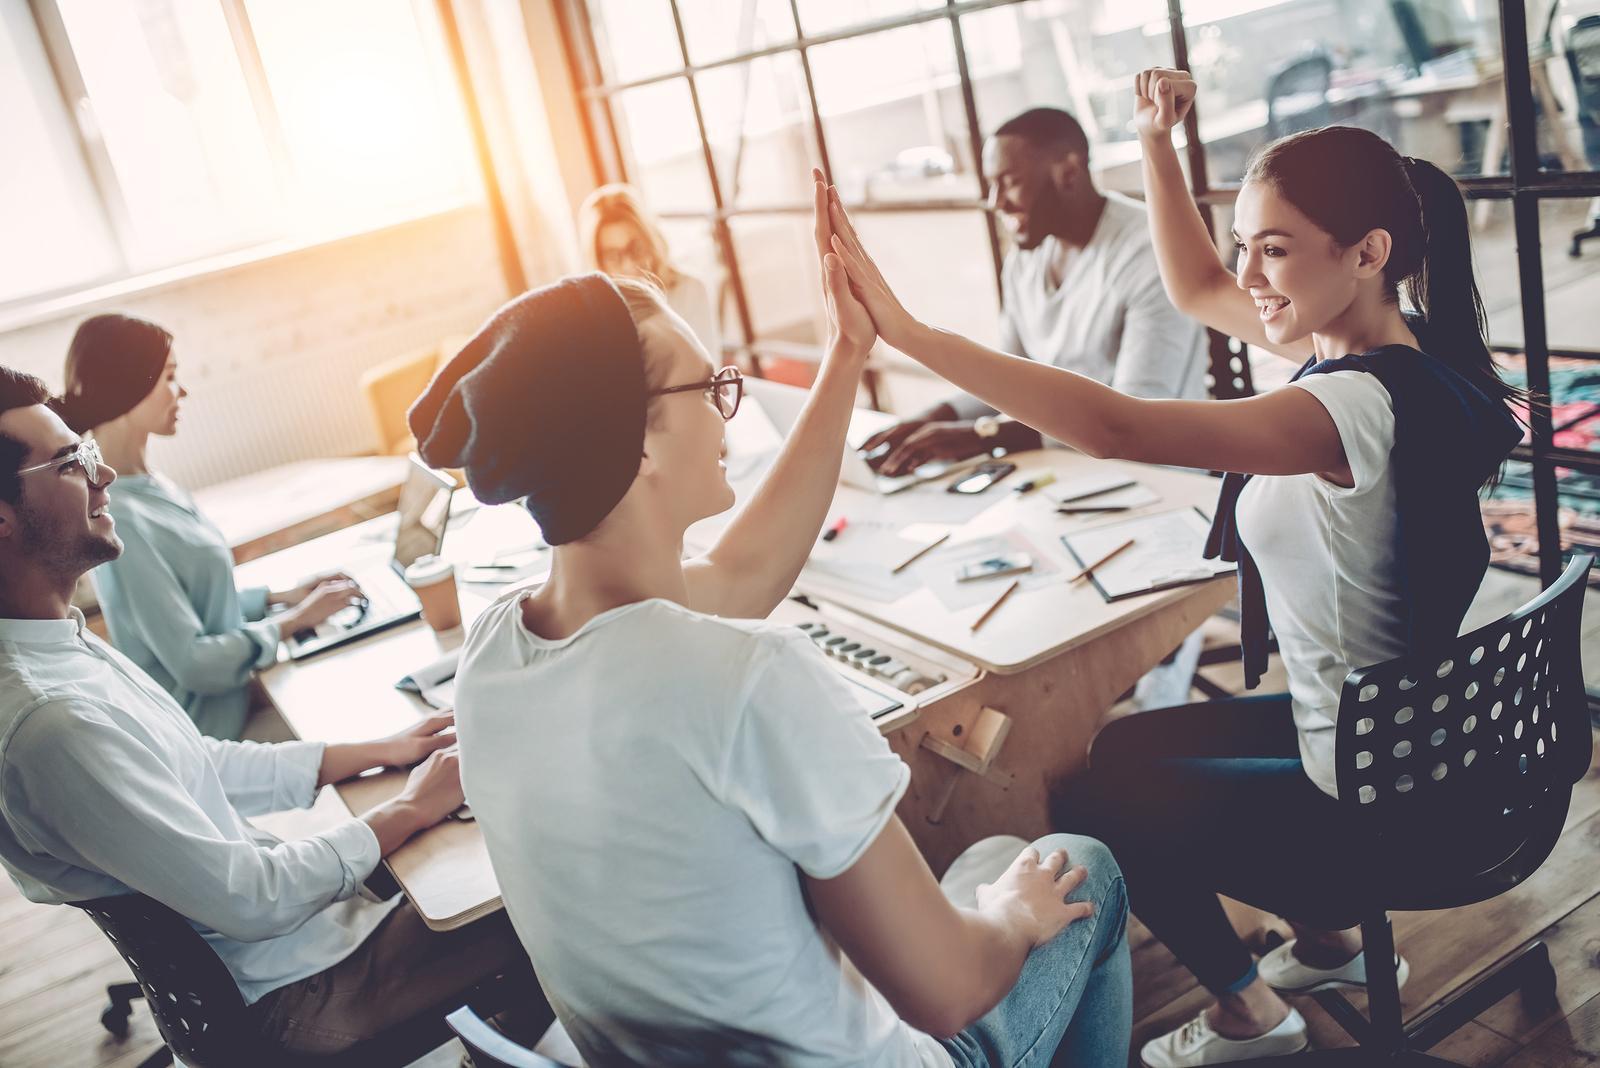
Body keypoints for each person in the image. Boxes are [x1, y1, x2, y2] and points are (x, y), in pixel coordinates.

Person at [822, 70, 1525, 1066]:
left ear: (1365, 253)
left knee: (1095, 802)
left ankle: (1252, 1017)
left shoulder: (1345, 408)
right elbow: (1195, 288)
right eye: (1245, 243)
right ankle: (1324, 946)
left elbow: (1114, 425)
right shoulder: (1401, 348)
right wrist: (1155, 142)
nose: (1248, 275)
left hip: (1365, 787)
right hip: (1400, 736)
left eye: (1273, 249)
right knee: (1121, 750)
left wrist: (911, 336)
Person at [419, 172, 1133, 1067]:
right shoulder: (749, 677)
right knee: (1075, 868)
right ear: (637, 444)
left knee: (990, 847)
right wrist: (1010, 918)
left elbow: (738, 571)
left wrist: (847, 353)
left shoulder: (497, 650)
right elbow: (949, 990)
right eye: (712, 386)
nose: (732, 407)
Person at [0, 364, 549, 1055]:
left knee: (485, 837)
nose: (102, 474)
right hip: (296, 993)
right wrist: (407, 808)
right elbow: (250, 898)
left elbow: (197, 761)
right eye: (71, 461)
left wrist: (381, 751)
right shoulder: (49, 724)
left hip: (304, 943)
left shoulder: (56, 646)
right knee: (551, 879)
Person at [56, 313, 363, 739]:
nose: (182, 390)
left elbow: (197, 600)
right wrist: (294, 620)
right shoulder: (118, 516)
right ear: (130, 385)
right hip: (211, 727)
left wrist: (283, 597)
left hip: (241, 690)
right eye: (169, 376)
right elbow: (194, 663)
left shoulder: (150, 483)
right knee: (351, 703)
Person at [860, 107, 1208, 481]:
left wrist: (983, 436)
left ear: (1069, 172)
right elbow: (1007, 377)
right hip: (1060, 471)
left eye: (1009, 181)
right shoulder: (1026, 258)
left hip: (1161, 478)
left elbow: (1135, 419)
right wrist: (931, 419)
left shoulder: (1152, 252)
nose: (996, 201)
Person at [580, 183, 722, 360]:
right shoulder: (595, 317)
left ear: (651, 241)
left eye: (635, 248)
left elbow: (708, 372)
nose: (628, 265)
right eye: (613, 256)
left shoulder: (690, 290)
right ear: (599, 263)